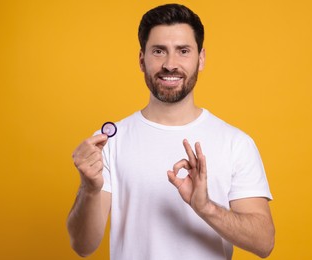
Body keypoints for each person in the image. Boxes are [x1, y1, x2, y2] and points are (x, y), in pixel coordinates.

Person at [67, 3, 275, 259]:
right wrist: (89, 188)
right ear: (142, 60)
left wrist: (205, 207)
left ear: (201, 59)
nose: (170, 64)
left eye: (183, 51)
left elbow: (264, 242)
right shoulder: (110, 142)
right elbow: (82, 245)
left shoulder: (236, 143)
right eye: (158, 51)